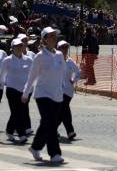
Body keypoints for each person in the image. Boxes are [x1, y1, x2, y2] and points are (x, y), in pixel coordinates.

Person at [22, 26, 66, 164]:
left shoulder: (59, 55)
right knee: (51, 124)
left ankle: (35, 147)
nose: (54, 38)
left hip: (57, 95)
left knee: (47, 123)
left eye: (55, 35)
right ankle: (55, 154)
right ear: (44, 40)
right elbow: (32, 76)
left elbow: (62, 74)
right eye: (51, 36)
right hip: (42, 94)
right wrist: (25, 93)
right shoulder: (39, 56)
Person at [0, 38, 33, 143]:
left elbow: (32, 75)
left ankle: (9, 130)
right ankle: (22, 134)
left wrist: (30, 88)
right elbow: (2, 75)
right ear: (12, 48)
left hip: (24, 90)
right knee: (16, 111)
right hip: (11, 89)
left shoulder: (29, 60)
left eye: (20, 46)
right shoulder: (7, 60)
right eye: (16, 46)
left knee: (20, 112)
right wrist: (3, 84)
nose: (19, 48)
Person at [57, 40, 80, 140]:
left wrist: (73, 80)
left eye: (66, 47)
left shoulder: (70, 61)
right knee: (64, 109)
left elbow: (78, 72)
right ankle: (70, 131)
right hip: (57, 90)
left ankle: (52, 128)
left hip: (68, 91)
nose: (65, 49)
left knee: (62, 110)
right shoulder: (55, 61)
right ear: (58, 49)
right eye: (63, 47)